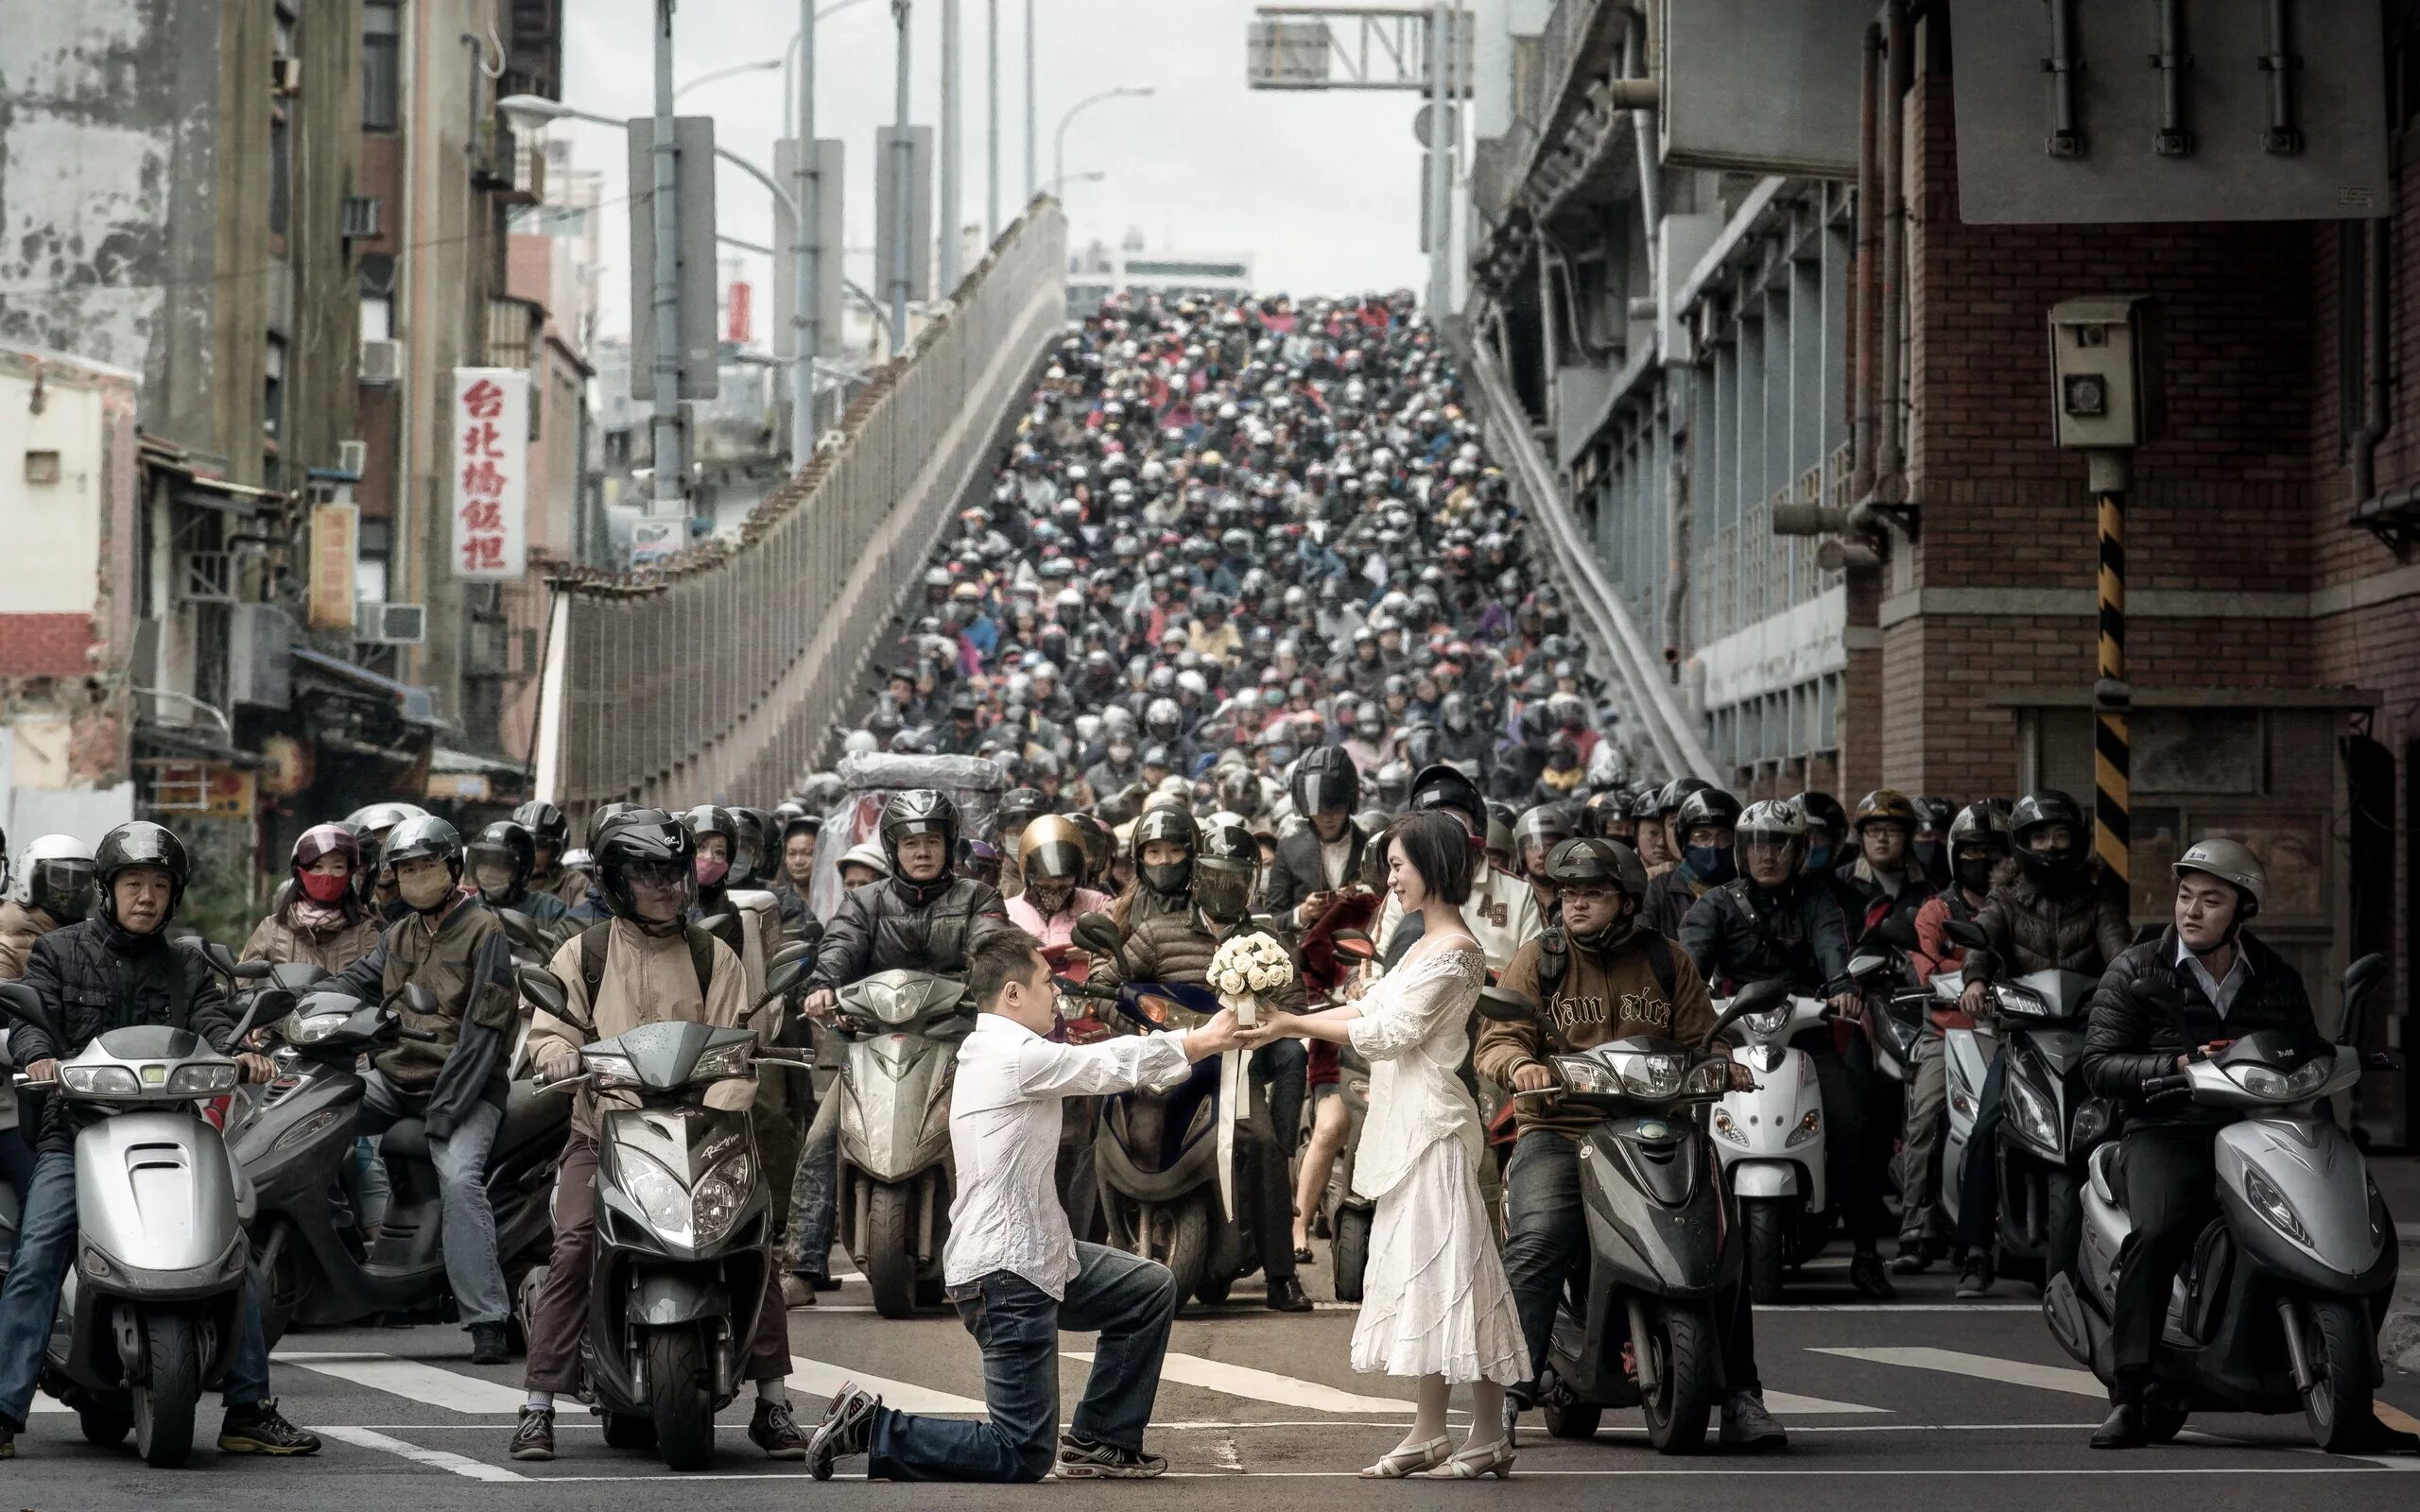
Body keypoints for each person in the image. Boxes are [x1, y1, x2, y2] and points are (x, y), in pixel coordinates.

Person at [806, 930, 1249, 1481]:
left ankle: (1103, 1440)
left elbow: (1094, 1062)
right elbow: (1103, 1064)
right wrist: (1200, 1040)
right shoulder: (1012, 1055)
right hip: (1006, 1276)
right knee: (1021, 1452)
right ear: (1012, 994)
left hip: (1040, 1256)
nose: (1057, 996)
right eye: (1047, 983)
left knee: (1149, 1289)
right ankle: (873, 1429)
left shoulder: (1000, 1049)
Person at [2077, 840, 2415, 1453]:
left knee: (2360, 1227)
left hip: (2262, 1126)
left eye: (2212, 900)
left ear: (2242, 910)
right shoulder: (2136, 969)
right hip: (2169, 1128)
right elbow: (2097, 1065)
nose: (2192, 911)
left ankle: (2356, 1397)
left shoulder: (2276, 977)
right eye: (2185, 897)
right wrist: (2172, 1064)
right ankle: (2129, 1393)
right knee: (2157, 1232)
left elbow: (2304, 1051)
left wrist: (2331, 1114)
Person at [0, 821, 319, 1460]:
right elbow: (34, 1017)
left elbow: (215, 1024)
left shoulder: (191, 964)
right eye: (133, 884)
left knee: (233, 1254)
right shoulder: (59, 953)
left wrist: (243, 1053)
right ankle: (4, 1412)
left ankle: (248, 1409)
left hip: (176, 1126)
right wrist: (38, 1058)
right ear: (107, 890)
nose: (145, 897)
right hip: (79, 1131)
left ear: (174, 896)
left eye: (159, 885)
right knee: (36, 1258)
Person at [511, 809, 807, 1462]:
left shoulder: (712, 954)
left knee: (752, 1242)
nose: (666, 886)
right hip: (606, 1132)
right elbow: (552, 1026)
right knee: (576, 1242)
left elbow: (740, 1047)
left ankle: (774, 1403)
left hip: (703, 1130)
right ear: (616, 881)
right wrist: (557, 1053)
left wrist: (724, 1110)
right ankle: (537, 1407)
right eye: (648, 874)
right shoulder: (582, 954)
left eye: (673, 872)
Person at [1238, 813, 1527, 1478]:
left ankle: (1486, 1433)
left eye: (1399, 866)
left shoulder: (1456, 949)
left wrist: (1288, 1022)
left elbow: (1390, 1032)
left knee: (1456, 1278)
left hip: (1434, 1130)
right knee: (1428, 1280)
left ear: (1435, 866)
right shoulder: (1423, 944)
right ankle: (1431, 1432)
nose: (1391, 879)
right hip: (1406, 1125)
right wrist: (1287, 1021)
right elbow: (1366, 1012)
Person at [1480, 836, 1785, 1449]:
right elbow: (1498, 1037)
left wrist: (1727, 1063)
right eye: (1569, 894)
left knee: (1719, 1248)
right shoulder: (1538, 959)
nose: (1577, 905)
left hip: (1661, 1126)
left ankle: (1744, 1398)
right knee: (1540, 1240)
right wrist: (1521, 1066)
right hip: (1562, 1129)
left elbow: (1706, 1037)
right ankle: (1509, 1393)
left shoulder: (1667, 959)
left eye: (1593, 893)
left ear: (1626, 900)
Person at [1679, 799, 1895, 1298]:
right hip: (1730, 1037)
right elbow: (1687, 970)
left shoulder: (1818, 899)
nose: (1767, 855)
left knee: (1853, 1121)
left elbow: (1832, 948)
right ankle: (1686, 1239)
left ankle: (1865, 1253)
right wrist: (1686, 1002)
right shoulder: (1716, 904)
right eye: (1756, 844)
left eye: (1779, 844)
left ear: (1799, 850)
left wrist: (1842, 984)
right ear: (1741, 851)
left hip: (1806, 1031)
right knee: (1684, 1121)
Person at [323, 815, 520, 1363]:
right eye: (404, 869)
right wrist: (288, 999)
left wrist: (447, 1111)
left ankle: (486, 1320)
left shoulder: (486, 931)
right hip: (394, 1078)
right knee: (309, 1121)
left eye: (424, 866)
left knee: (459, 1180)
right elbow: (353, 981)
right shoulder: (401, 932)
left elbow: (483, 1035)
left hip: (466, 1089)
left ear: (453, 868)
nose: (413, 878)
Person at [1094, 821, 1312, 1311]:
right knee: (1104, 1122)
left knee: (1261, 1143)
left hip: (1239, 1067)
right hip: (1171, 1059)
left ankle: (1281, 1276)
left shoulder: (1268, 940)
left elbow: (1295, 1004)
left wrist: (1269, 1021)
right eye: (1214, 877)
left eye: (1236, 879)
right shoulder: (1155, 933)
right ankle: (1084, 1252)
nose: (1224, 888)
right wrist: (1131, 1023)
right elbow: (1106, 986)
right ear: (1196, 876)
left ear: (1253, 883)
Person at [1951, 790, 2131, 1297]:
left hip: (2090, 1038)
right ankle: (1976, 1253)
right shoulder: (2005, 899)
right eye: (2038, 836)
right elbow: (1982, 939)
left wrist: (2129, 986)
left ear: (2077, 841)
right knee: (1985, 1130)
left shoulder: (2098, 900)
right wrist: (1975, 980)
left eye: (2060, 835)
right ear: (2021, 843)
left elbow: (2120, 953)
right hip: (2023, 1040)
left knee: (2130, 1126)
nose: (2050, 846)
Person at [1894, 801, 2008, 1273]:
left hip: (2010, 1034)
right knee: (1924, 1119)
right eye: (1972, 851)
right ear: (1954, 855)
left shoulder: (2015, 908)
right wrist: (1980, 976)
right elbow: (1927, 969)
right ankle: (1916, 1229)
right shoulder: (1935, 911)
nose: (1982, 861)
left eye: (1993, 852)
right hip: (1947, 1035)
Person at [1371, 765, 1541, 973]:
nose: (1443, 833)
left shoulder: (1518, 892)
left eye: (1455, 820)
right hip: (1412, 995)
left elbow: (1535, 969)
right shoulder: (1404, 887)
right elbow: (1376, 962)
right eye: (1432, 824)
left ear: (1477, 828)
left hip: (1497, 998)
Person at [0, 835, 94, 1208]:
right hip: (15, 1104)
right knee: (48, 1201)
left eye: (79, 881)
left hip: (64, 1091)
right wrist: (51, 1051)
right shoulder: (9, 936)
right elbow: (13, 1021)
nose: (69, 891)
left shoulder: (82, 937)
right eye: (59, 880)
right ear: (27, 881)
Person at [1260, 746, 1366, 928]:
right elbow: (1272, 919)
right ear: (1306, 809)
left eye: (1335, 809)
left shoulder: (1370, 845)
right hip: (1307, 948)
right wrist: (1302, 913)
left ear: (1349, 803)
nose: (1327, 819)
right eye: (1318, 811)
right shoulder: (1289, 849)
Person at [1833, 789, 1936, 948]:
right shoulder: (1841, 881)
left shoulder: (1929, 883)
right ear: (1862, 837)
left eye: (1892, 830)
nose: (1882, 838)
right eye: (1874, 830)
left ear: (1907, 837)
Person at [1641, 786, 1739, 936]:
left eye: (1723, 836)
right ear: (1685, 842)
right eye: (1702, 837)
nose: (1713, 845)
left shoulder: (1747, 890)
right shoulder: (1658, 891)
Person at [1005, 816, 1113, 953]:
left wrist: (1094, 952)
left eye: (1064, 881)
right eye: (1046, 881)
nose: (1055, 886)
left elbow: (1116, 943)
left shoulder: (1096, 905)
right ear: (1030, 876)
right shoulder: (1008, 913)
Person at [465, 819, 569, 925]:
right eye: (482, 864)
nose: (488, 873)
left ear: (522, 869)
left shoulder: (550, 909)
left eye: (500, 864)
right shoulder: (465, 911)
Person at [513, 799, 591, 911]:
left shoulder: (574, 885)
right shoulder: (500, 880)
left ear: (555, 850)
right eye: (523, 844)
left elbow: (585, 921)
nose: (531, 853)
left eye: (541, 846)